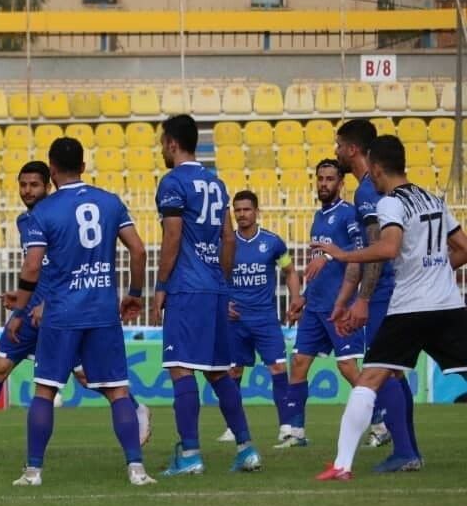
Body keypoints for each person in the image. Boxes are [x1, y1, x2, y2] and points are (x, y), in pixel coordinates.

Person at [0, 161, 151, 453]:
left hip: (61, 311)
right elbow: (40, 269)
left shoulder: (59, 216)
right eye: (23, 184)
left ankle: (136, 408)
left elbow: (70, 269)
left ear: (48, 186)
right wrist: (23, 298)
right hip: (32, 311)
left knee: (86, 376)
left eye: (34, 185)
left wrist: (47, 303)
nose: (27, 190)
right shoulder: (25, 221)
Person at [314, 135, 467, 479]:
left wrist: (343, 255)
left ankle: (342, 465)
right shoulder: (431, 198)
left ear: (377, 168)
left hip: (410, 308)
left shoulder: (390, 203)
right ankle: (393, 454)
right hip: (448, 305)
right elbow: (463, 247)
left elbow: (388, 248)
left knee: (369, 378)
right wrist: (436, 272)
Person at [4, 137, 155, 487]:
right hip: (102, 310)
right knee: (117, 391)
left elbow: (32, 267)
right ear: (83, 167)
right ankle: (136, 469)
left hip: (61, 312)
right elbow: (138, 251)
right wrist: (134, 294)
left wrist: (20, 311)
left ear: (52, 170)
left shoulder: (44, 211)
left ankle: (33, 472)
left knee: (45, 390)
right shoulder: (110, 202)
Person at [154, 114, 261, 476]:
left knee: (181, 368)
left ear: (172, 143)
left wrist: (161, 285)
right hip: (215, 287)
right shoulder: (216, 183)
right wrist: (222, 282)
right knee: (218, 372)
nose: (162, 149)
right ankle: (246, 449)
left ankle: (190, 454)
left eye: (162, 143)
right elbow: (229, 238)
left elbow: (172, 236)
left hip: (187, 287)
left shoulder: (172, 182)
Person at [333, 118, 410, 449]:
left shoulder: (367, 191)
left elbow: (377, 249)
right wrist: (344, 300)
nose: (336, 151)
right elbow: (362, 252)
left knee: (380, 368)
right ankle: (407, 447)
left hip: (384, 291)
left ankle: (405, 450)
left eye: (339, 145)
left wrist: (363, 299)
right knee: (393, 370)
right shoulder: (371, 189)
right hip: (394, 288)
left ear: (352, 149)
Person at [281, 159, 365, 447]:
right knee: (299, 363)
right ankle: (296, 432)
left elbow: (361, 249)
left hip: (339, 305)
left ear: (341, 183)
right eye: (320, 178)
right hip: (315, 306)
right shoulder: (318, 217)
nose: (324, 184)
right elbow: (318, 268)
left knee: (348, 367)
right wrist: (303, 297)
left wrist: (329, 255)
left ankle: (380, 422)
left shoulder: (349, 213)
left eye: (330, 179)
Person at [216, 190, 302, 445]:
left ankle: (286, 426)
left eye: (246, 209)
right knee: (233, 371)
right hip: (235, 321)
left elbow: (290, 271)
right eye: (238, 210)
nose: (242, 214)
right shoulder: (225, 244)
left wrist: (295, 298)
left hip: (265, 319)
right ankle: (233, 428)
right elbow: (215, 277)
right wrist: (222, 304)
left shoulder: (273, 243)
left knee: (278, 367)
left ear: (256, 211)